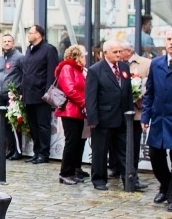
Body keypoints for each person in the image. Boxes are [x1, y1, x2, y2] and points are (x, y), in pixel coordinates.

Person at [85, 39, 133, 191]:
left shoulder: (124, 67)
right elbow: (90, 97)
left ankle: (129, 179)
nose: (119, 54)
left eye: (120, 51)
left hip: (122, 117)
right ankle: (99, 179)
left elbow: (128, 93)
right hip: (103, 118)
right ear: (105, 53)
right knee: (100, 151)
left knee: (125, 151)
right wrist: (92, 119)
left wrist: (129, 114)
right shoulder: (95, 70)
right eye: (115, 52)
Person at [141, 30, 172, 211]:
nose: (171, 43)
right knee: (155, 156)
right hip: (159, 119)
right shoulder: (157, 63)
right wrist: (145, 116)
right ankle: (165, 185)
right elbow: (149, 92)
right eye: (169, 39)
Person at [21, 25, 59, 164]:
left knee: (43, 125)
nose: (28, 35)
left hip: (42, 95)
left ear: (38, 35)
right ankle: (36, 152)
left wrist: (48, 93)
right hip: (29, 94)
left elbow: (52, 74)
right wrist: (21, 91)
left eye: (30, 33)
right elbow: (25, 73)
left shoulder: (49, 49)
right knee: (33, 125)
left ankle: (44, 153)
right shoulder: (29, 50)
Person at [54, 45, 88, 185]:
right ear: (78, 56)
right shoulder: (68, 68)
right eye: (84, 55)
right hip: (71, 111)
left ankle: (74, 169)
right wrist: (84, 103)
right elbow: (70, 89)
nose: (85, 58)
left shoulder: (77, 69)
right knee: (71, 142)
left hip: (77, 111)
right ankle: (65, 173)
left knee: (78, 142)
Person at [122, 39, 151, 189]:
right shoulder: (118, 65)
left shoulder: (146, 63)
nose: (119, 54)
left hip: (136, 112)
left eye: (121, 51)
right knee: (119, 145)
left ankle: (133, 176)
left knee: (132, 145)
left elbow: (151, 86)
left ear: (129, 51)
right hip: (119, 113)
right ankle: (120, 172)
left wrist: (141, 97)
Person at [0, 34, 24, 160]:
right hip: (1, 94)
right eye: (4, 41)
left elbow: (24, 75)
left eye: (9, 41)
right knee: (5, 125)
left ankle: (18, 151)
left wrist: (20, 92)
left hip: (12, 95)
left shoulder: (19, 57)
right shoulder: (1, 58)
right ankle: (11, 148)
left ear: (13, 43)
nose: (7, 43)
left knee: (14, 123)